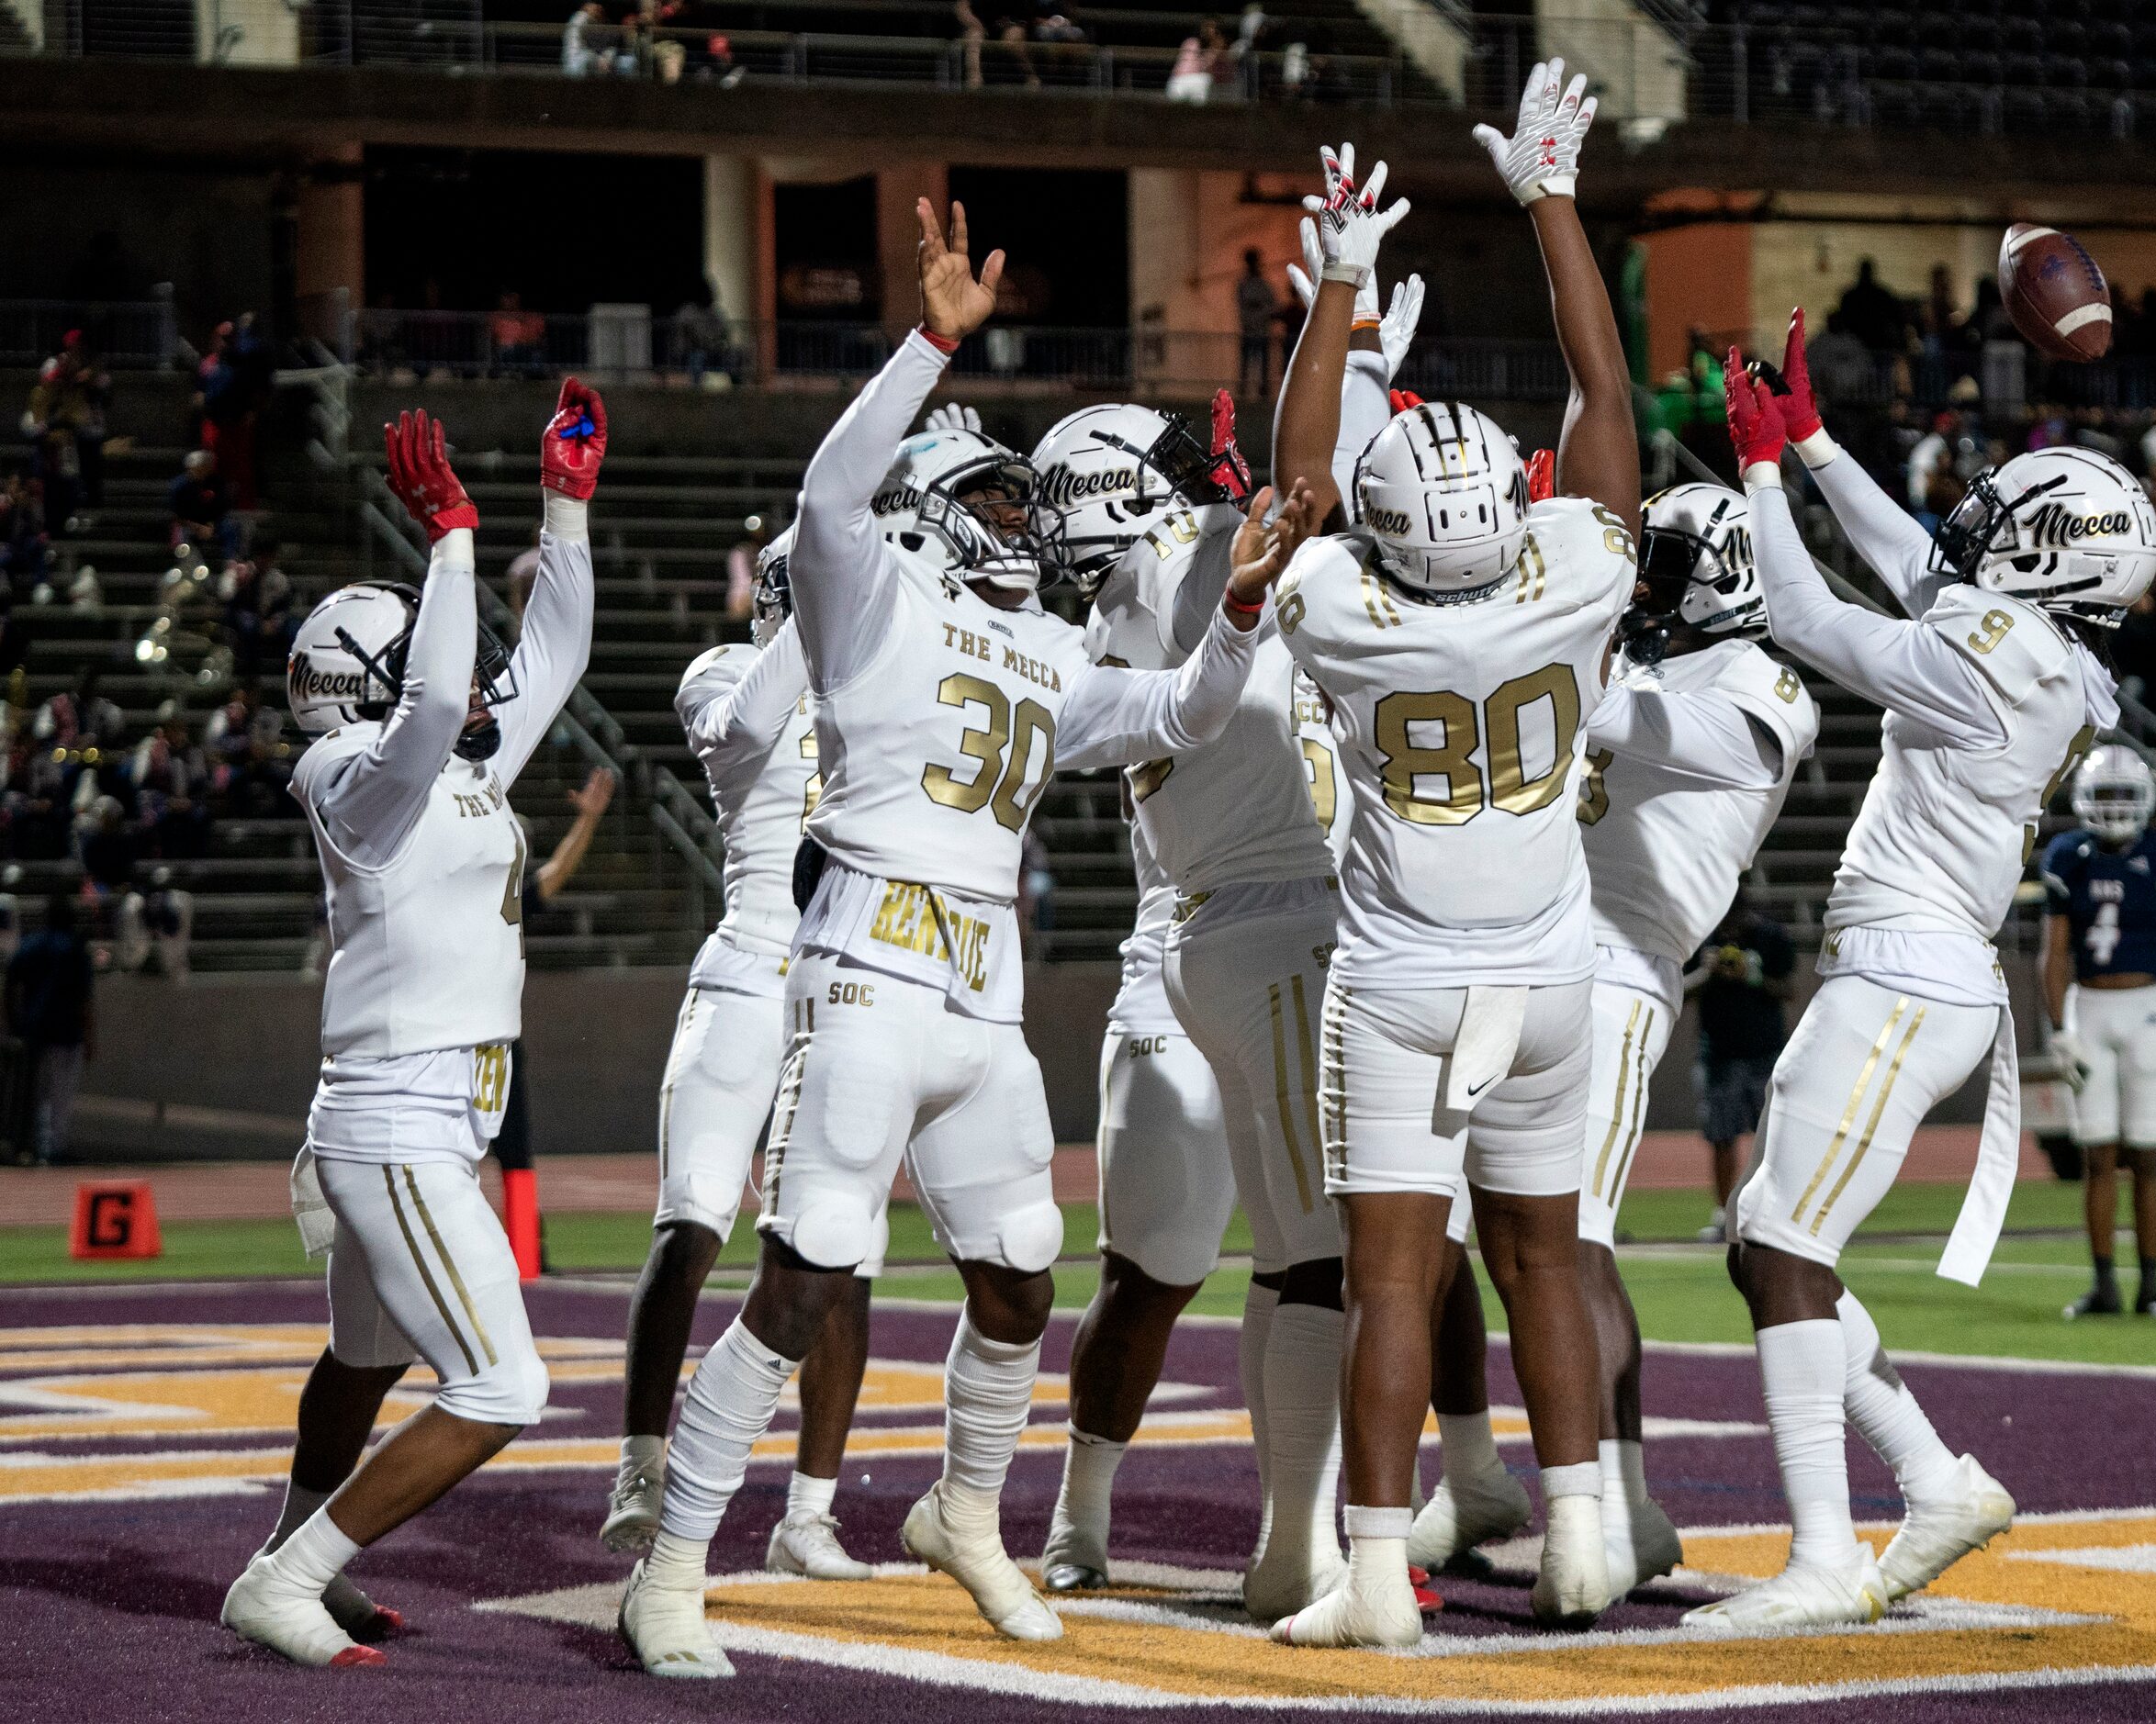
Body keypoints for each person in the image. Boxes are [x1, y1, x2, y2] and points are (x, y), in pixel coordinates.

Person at [618, 197, 1313, 1677]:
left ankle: (964, 1509)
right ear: (929, 514)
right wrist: (931, 342)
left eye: (1022, 501)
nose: (1021, 522)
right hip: (865, 970)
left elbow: (1184, 710)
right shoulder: (866, 598)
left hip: (982, 1000)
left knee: (1019, 1276)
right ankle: (672, 1566)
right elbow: (829, 489)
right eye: (994, 501)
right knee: (801, 1279)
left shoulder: (1044, 643)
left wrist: (1239, 608)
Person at [1263, 62, 1638, 1647]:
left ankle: (1367, 1581)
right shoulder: (1569, 571)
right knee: (1547, 1260)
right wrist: (1551, 194)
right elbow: (1605, 403)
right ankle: (1574, 1541)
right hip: (1552, 973)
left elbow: (1291, 484)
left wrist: (1339, 293)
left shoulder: (1346, 611)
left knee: (1399, 1282)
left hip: (1408, 981)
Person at [1706, 307, 2154, 1632]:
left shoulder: (2007, 667)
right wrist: (1819, 442)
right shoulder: (2040, 650)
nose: (1970, 526)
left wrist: (1763, 473)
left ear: (2045, 560)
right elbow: (1920, 571)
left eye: (2000, 519)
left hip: (1908, 978)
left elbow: (1804, 610)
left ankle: (1821, 1558)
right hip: (1904, 969)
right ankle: (1938, 1479)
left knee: (1784, 1241)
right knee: (1757, 1240)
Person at [220, 380, 604, 1667]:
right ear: (362, 684)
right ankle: (290, 1578)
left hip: (431, 1111)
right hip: (400, 1116)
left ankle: (290, 1549)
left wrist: (566, 510)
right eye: (427, 653)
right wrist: (446, 538)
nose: (467, 676)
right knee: (504, 1384)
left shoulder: (443, 763)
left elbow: (550, 659)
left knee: (365, 1353)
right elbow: (437, 701)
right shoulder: (344, 777)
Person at [1416, 481, 1819, 1597]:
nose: (1646, 581)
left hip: (1613, 971)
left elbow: (1609, 715)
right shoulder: (1638, 657)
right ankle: (1472, 1472)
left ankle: (1618, 1506)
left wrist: (1538, 582)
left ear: (1728, 569)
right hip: (1517, 947)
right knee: (1432, 1234)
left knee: (1572, 1239)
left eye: (1668, 563)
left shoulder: (1763, 687)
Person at [1023, 389, 1353, 1618]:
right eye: (1166, 461)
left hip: (1294, 921)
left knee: (1321, 1250)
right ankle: (1087, 1507)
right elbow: (1286, 497)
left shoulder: (1169, 576)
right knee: (1161, 1265)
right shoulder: (1159, 585)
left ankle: (1324, 1521)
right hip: (1214, 931)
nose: (1194, 473)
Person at [604, 525, 881, 1581]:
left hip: (844, 978)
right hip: (751, 965)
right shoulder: (722, 668)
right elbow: (756, 715)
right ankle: (640, 1463)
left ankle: (809, 1511)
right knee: (693, 1224)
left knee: (840, 1255)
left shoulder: (867, 678)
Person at [2038, 746, 2156, 1320]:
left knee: (2149, 1153)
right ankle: (2105, 1283)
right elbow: (2054, 953)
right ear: (2085, 799)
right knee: (2097, 1155)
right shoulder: (2067, 854)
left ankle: (2153, 1284)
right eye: (2103, 795)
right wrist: (2060, 1027)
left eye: (2122, 795)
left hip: (2147, 1010)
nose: (2113, 807)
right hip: (2092, 1006)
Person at [484, 764, 618, 1280]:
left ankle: (525, 1259)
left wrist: (587, 822)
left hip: (498, 1042)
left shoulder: (507, 902)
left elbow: (555, 873)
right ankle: (436, 1262)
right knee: (440, 1158)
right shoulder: (445, 897)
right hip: (445, 1040)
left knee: (516, 1156)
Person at [1690, 893, 1794, 1243]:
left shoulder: (1770, 936)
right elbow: (1682, 988)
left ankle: (1774, 1214)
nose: (1731, 929)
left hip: (1764, 1052)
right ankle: (1725, 1215)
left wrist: (1754, 976)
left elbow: (1788, 989)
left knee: (1773, 1139)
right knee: (1721, 1138)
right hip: (1719, 1054)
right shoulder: (1703, 936)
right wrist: (1707, 972)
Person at [6, 895, 94, 1166]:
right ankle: (52, 1148)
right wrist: (91, 1037)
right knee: (60, 1094)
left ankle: (31, 1145)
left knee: (36, 1093)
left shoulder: (32, 945)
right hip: (66, 1032)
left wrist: (14, 1021)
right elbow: (85, 1000)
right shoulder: (74, 950)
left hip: (35, 1029)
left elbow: (11, 982)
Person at [1236, 249, 1279, 397]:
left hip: (1260, 330)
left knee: (1261, 364)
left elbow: (1271, 305)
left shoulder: (1262, 285)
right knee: (1248, 363)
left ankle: (1262, 389)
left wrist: (1258, 309)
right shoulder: (1244, 285)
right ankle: (1245, 389)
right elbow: (1243, 306)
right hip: (1250, 330)